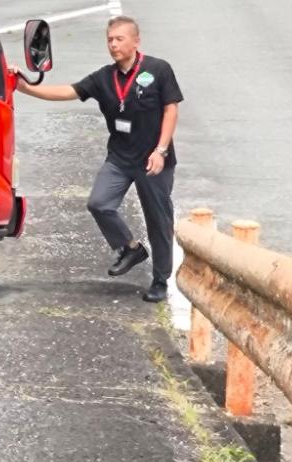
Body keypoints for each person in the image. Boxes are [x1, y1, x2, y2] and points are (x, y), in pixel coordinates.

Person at [17, 15, 182, 302]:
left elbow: (171, 109)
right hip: (120, 158)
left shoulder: (158, 69)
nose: (113, 45)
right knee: (99, 203)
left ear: (136, 41)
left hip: (152, 159)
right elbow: (68, 91)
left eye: (119, 39)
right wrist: (26, 87)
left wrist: (161, 150)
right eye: (110, 40)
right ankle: (130, 248)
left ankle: (160, 280)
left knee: (158, 220)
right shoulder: (104, 77)